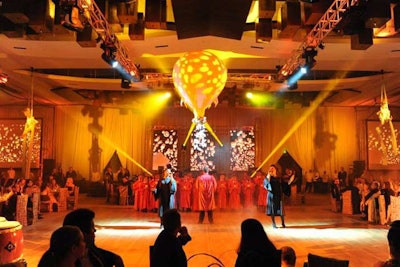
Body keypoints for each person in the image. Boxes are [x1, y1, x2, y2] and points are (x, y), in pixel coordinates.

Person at [264, 164, 290, 228]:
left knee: (281, 209)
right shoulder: (268, 177)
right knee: (272, 209)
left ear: (275, 169)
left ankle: (283, 223)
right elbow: (266, 184)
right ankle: (273, 223)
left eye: (273, 168)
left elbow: (283, 184)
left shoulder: (279, 177)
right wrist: (269, 175)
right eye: (270, 168)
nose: (272, 169)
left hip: (279, 194)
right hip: (272, 195)